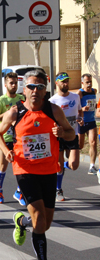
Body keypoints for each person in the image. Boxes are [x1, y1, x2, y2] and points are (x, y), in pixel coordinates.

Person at [0, 70, 75, 260]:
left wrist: (62, 133)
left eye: (40, 87)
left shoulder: (53, 110)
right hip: (24, 169)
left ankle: (21, 222)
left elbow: (71, 134)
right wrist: (6, 151)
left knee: (44, 224)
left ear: (45, 90)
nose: (35, 91)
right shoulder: (15, 112)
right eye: (31, 86)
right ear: (24, 89)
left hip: (49, 170)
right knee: (39, 216)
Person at [0, 72, 26, 205]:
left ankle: (19, 191)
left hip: (18, 137)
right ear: (5, 85)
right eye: (11, 83)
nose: (14, 85)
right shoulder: (1, 100)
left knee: (21, 166)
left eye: (16, 83)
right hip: (5, 137)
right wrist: (7, 114)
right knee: (3, 165)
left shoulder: (21, 98)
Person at [49, 72, 83, 201]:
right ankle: (58, 189)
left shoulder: (75, 97)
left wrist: (80, 118)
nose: (66, 83)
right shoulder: (52, 100)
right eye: (63, 81)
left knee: (74, 165)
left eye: (67, 81)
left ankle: (62, 166)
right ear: (57, 83)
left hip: (72, 134)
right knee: (59, 163)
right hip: (59, 136)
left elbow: (79, 111)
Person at [77, 73, 98, 175]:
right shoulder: (79, 93)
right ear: (82, 83)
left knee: (93, 142)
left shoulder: (94, 91)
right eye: (87, 82)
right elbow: (74, 108)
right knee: (80, 146)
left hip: (91, 121)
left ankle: (92, 166)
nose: (89, 84)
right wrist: (82, 109)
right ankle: (70, 159)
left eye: (90, 82)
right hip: (82, 122)